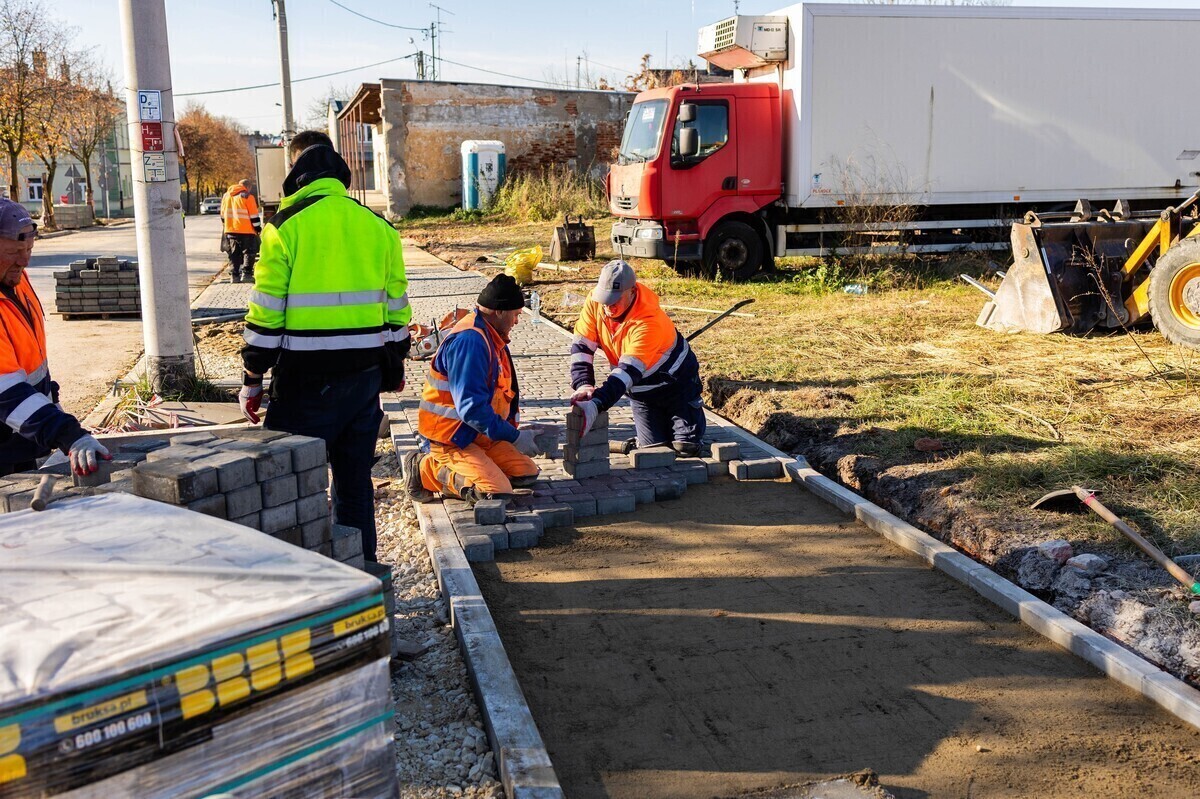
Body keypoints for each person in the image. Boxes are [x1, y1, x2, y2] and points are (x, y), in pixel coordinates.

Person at [239, 130, 411, 562]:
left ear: (296, 172)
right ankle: (363, 573)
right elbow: (397, 312)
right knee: (354, 485)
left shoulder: (283, 229)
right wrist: (394, 367)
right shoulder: (380, 228)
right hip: (363, 381)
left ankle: (309, 582)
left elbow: (265, 315)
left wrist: (252, 379)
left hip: (303, 385)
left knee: (296, 486)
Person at [401, 274, 541, 506]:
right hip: (451, 438)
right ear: (499, 312)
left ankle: (479, 465)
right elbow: (472, 408)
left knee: (526, 473)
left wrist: (515, 430)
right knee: (496, 492)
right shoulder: (470, 342)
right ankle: (423, 468)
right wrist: (515, 437)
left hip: (478, 435)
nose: (517, 321)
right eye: (516, 315)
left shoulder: (492, 337)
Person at [0, 199, 109, 477]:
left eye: (28, 250)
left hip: (19, 437)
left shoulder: (17, 279)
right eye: (14, 252)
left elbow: (32, 363)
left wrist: (53, 407)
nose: (24, 261)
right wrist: (68, 434)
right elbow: (6, 393)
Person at [568, 259, 706, 454]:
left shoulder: (648, 321)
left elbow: (626, 372)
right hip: (641, 392)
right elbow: (582, 347)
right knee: (653, 451)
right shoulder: (595, 303)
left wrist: (597, 403)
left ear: (632, 292)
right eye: (604, 299)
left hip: (676, 385)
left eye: (614, 300)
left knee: (685, 448)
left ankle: (692, 424)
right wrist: (583, 384)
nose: (608, 307)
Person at [220, 179, 261, 283]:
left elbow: (222, 215)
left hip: (230, 230)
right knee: (249, 252)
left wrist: (226, 226)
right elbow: (254, 217)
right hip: (246, 230)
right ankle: (246, 274)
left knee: (234, 253)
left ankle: (234, 276)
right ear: (248, 187)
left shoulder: (226, 196)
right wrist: (258, 229)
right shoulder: (248, 197)